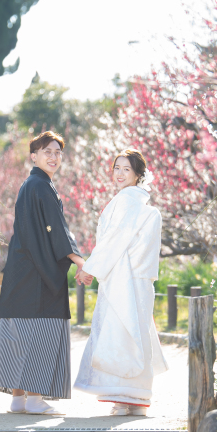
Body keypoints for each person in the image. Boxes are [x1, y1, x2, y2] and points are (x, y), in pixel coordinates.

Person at [0, 131, 86, 416]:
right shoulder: (40, 186)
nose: (53, 157)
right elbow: (57, 230)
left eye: (57, 153)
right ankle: (36, 398)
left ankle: (18, 399)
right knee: (40, 329)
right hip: (38, 272)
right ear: (34, 156)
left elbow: (51, 230)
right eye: (47, 152)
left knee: (19, 330)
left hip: (21, 269)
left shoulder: (30, 184)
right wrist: (79, 261)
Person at [74, 148, 168, 416]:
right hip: (140, 281)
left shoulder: (126, 201)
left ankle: (122, 398)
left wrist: (89, 268)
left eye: (127, 169)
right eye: (117, 167)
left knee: (120, 333)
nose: (120, 173)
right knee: (137, 332)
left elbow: (113, 241)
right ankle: (137, 399)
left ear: (139, 174)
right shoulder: (144, 205)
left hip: (122, 279)